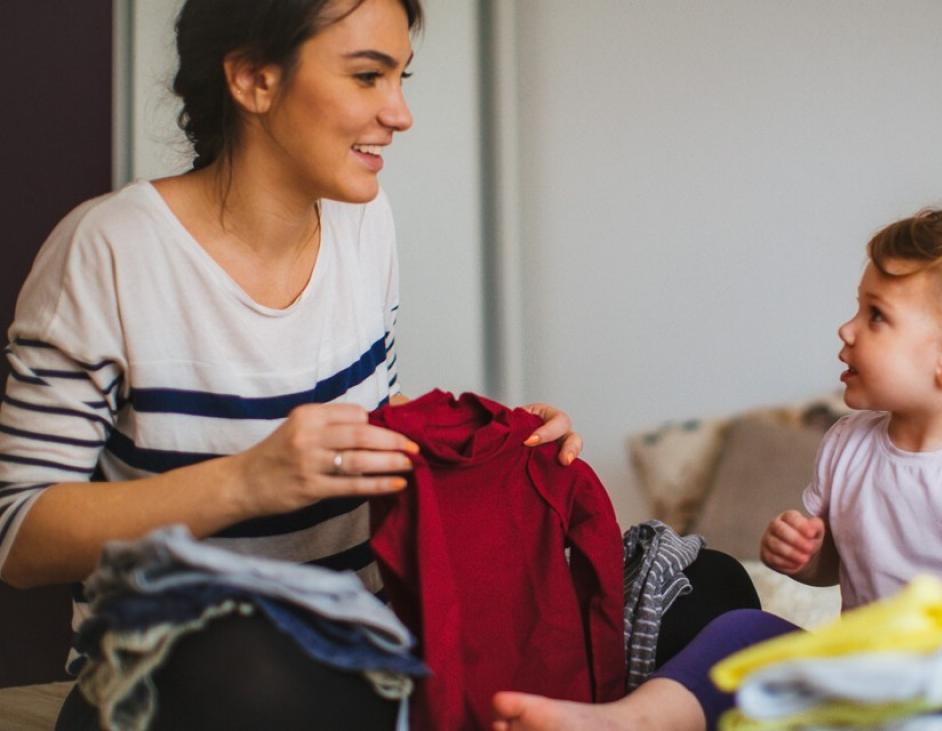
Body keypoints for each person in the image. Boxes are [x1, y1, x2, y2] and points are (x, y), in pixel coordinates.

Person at [0, 1, 757, 728]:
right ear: (253, 79)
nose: (399, 113)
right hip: (186, 656)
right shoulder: (107, 252)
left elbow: (371, 450)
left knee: (707, 588)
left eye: (402, 78)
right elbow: (19, 533)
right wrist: (246, 480)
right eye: (368, 76)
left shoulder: (366, 223)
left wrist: (493, 444)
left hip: (370, 627)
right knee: (249, 673)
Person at [489, 197, 942, 731]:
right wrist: (804, 555)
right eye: (859, 307)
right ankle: (625, 721)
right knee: (741, 627)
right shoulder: (847, 442)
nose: (847, 329)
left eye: (876, 316)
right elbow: (837, 565)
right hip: (874, 685)